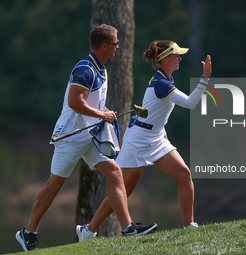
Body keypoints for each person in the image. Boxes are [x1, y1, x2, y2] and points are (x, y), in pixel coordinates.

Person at [15, 24, 157, 251]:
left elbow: (90, 103)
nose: (118, 47)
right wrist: (102, 114)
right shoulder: (85, 69)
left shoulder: (101, 69)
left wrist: (103, 112)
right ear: (104, 46)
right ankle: (28, 232)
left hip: (90, 136)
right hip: (71, 136)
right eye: (115, 43)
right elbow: (75, 102)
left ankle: (127, 227)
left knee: (114, 172)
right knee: (55, 184)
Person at [75, 40, 212, 241]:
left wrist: (162, 132)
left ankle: (189, 226)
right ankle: (88, 230)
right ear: (165, 59)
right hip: (138, 140)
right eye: (176, 55)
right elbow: (191, 103)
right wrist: (205, 79)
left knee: (184, 174)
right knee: (125, 190)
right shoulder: (161, 83)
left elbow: (157, 114)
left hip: (156, 137)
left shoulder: (165, 80)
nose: (180, 59)